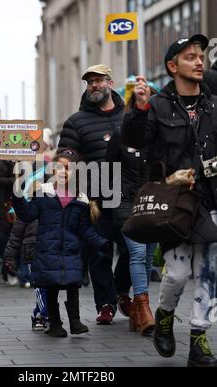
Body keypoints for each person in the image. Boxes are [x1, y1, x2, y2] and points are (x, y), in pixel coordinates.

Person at [122, 34, 217, 367]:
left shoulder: (213, 102)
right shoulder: (158, 104)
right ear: (172, 66)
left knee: (209, 271)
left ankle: (198, 338)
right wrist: (138, 107)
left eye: (201, 56)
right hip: (173, 203)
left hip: (210, 199)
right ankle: (164, 317)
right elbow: (133, 141)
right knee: (176, 275)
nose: (199, 61)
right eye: (190, 57)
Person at [58, 64, 132, 324]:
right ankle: (105, 305)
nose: (94, 86)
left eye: (99, 80)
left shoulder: (129, 115)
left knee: (131, 249)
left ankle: (121, 290)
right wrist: (64, 161)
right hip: (95, 198)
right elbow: (67, 150)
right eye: (89, 82)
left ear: (110, 83)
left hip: (127, 195)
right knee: (99, 252)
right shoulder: (76, 121)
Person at [12, 148, 110, 337]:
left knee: (73, 285)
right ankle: (55, 323)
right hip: (48, 250)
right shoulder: (43, 193)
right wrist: (17, 195)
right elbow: (28, 214)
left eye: (69, 168)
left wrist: (100, 242)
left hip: (71, 251)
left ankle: (75, 321)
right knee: (52, 288)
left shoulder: (80, 198)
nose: (63, 171)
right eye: (59, 167)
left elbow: (85, 229)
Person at [106, 89, 158, 335]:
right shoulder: (121, 136)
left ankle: (138, 310)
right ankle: (145, 308)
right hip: (125, 203)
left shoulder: (159, 138)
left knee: (148, 256)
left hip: (153, 204)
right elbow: (107, 170)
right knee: (136, 252)